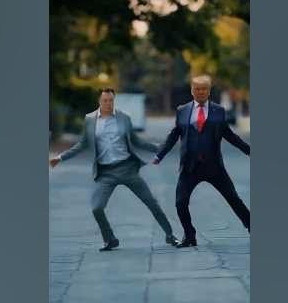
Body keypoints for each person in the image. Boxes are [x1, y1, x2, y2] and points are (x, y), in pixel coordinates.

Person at [50, 88, 179, 251]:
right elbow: (82, 144)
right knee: (97, 208)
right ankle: (109, 239)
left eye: (111, 100)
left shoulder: (123, 118)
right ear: (99, 101)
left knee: (152, 202)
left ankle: (170, 235)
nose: (108, 104)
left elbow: (137, 142)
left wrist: (161, 149)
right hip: (106, 173)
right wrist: (60, 158)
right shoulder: (89, 120)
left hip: (127, 169)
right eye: (105, 100)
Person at [153, 75, 250, 248]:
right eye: (197, 88)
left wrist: (248, 151)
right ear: (192, 90)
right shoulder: (182, 110)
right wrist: (160, 155)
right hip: (190, 167)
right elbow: (174, 135)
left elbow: (229, 135)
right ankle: (190, 236)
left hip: (214, 167)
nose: (200, 92)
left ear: (209, 91)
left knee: (234, 199)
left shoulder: (218, 111)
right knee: (180, 203)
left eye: (204, 89)